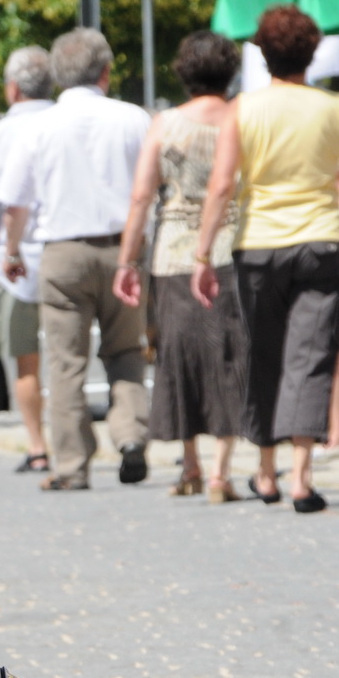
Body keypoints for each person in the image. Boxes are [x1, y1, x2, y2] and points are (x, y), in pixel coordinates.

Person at [194, 5, 339, 514]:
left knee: (264, 352)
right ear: (312, 52)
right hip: (323, 242)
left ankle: (264, 470)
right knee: (311, 355)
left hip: (257, 245)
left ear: (261, 51)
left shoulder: (243, 109)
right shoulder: (331, 108)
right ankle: (301, 478)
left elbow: (221, 185)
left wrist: (202, 253)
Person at [0, 28, 152, 491]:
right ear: (105, 71)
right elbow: (150, 192)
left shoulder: (36, 127)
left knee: (66, 363)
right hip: (123, 249)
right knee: (126, 350)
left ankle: (71, 466)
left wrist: (11, 252)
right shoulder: (134, 119)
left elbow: (16, 202)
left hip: (62, 252)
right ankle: (131, 438)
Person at [113, 32, 245, 504]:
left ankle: (189, 462)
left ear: (183, 72)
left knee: (179, 353)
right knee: (231, 356)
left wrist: (127, 259)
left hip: (173, 252)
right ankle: (221, 472)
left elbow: (141, 197)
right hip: (233, 246)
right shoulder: (242, 117)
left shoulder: (165, 123)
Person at [0, 45, 55, 471]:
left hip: (17, 266)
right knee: (71, 357)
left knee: (25, 362)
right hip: (67, 254)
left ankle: (38, 447)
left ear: (13, 88)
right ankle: (74, 444)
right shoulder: (64, 122)